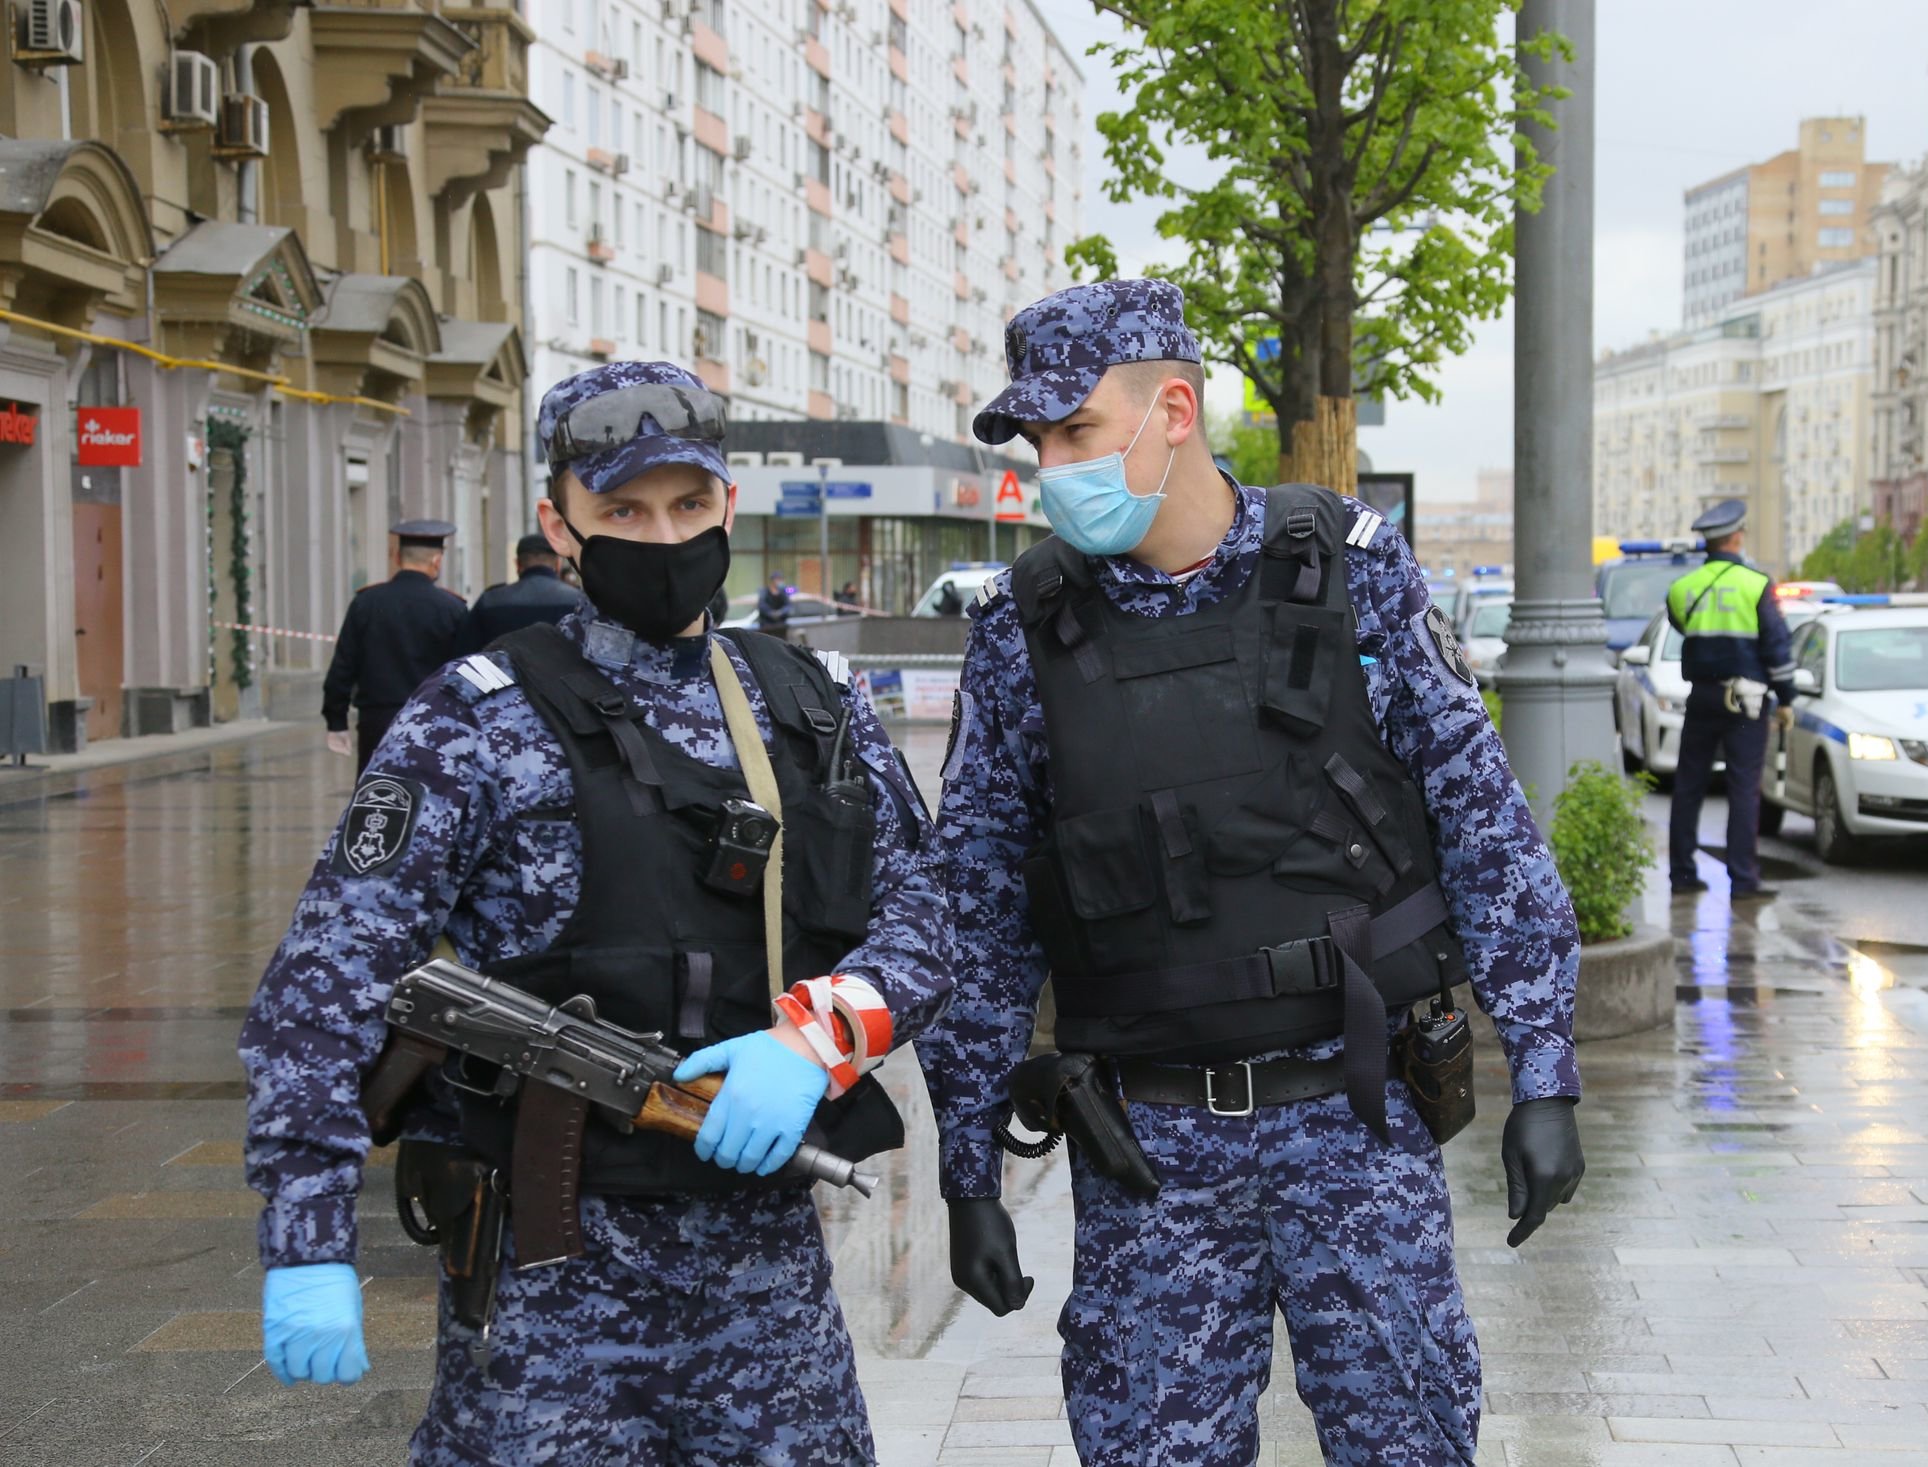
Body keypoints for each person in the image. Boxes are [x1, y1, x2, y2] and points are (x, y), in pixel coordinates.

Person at [918, 279, 1584, 1467]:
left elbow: (1482, 820)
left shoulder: (1351, 570)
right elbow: (978, 908)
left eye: (1075, 432)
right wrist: (966, 1166)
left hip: (1358, 1123)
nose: (1048, 467)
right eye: (1035, 442)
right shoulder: (1021, 632)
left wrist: (1545, 1071)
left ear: (1172, 408)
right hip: (1149, 1157)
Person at [240, 361, 951, 1463]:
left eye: (687, 505)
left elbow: (925, 918)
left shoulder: (807, 701)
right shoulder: (472, 722)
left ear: (727, 503)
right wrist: (305, 1234)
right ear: (557, 523)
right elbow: (324, 982)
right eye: (622, 509)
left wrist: (823, 1035)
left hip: (763, 1278)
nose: (662, 539)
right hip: (545, 1292)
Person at [1664, 498, 1795, 901]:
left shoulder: (1682, 588)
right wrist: (1787, 697)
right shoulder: (1756, 584)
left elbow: (1679, 625)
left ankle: (1682, 874)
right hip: (1746, 702)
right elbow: (1776, 646)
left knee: (1688, 786)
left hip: (1701, 696)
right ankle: (1742, 879)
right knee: (1743, 788)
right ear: (1736, 536)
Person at [321, 519, 469, 778]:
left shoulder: (366, 603)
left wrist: (336, 720)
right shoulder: (452, 608)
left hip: (377, 721)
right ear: (437, 561)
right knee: (431, 797)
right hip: (434, 720)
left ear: (397, 557)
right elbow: (465, 670)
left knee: (377, 797)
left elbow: (343, 666)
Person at [460, 531, 585, 652]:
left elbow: (466, 652)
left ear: (517, 564)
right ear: (558, 564)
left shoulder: (489, 600)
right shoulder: (579, 600)